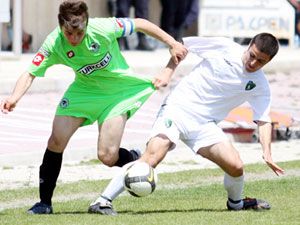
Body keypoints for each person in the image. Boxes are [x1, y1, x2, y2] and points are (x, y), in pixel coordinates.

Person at [0, 0, 187, 214]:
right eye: (69, 34)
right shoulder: (53, 43)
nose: (74, 39)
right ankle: (44, 203)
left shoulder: (103, 27)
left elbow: (141, 23)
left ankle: (135, 160)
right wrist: (14, 97)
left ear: (87, 24)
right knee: (56, 140)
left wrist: (172, 43)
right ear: (61, 26)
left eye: (79, 33)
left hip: (118, 92)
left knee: (107, 156)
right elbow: (31, 71)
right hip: (84, 91)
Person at [88, 33, 285, 215]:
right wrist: (168, 71)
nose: (253, 62)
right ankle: (102, 201)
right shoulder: (224, 47)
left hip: (204, 125)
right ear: (249, 45)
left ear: (268, 62)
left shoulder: (260, 84)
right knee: (152, 157)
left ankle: (236, 203)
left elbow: (263, 119)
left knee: (236, 166)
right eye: (252, 55)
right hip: (178, 109)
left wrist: (266, 152)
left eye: (260, 62)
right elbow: (182, 45)